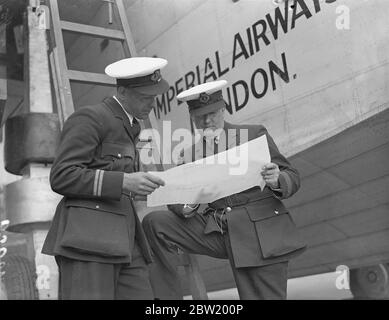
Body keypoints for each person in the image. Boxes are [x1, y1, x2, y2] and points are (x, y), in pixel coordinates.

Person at [142, 80, 307, 300]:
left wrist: (277, 180)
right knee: (155, 223)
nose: (207, 120)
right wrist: (192, 203)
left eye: (211, 113)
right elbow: (175, 199)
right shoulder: (190, 154)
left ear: (223, 108)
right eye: (200, 116)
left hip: (259, 232)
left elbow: (292, 176)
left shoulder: (254, 134)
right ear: (192, 118)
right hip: (218, 230)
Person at [42, 57, 168, 299]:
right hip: (88, 241)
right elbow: (62, 175)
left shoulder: (131, 127)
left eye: (154, 96)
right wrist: (123, 182)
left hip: (126, 240)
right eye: (145, 96)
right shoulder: (91, 118)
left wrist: (135, 188)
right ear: (122, 91)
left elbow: (112, 174)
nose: (152, 103)